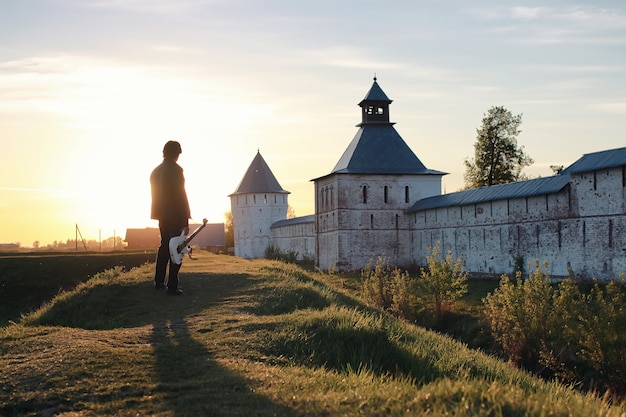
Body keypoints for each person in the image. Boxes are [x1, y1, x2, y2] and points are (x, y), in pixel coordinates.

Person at [150, 140, 191, 295]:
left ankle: (158, 281)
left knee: (164, 247)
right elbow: (181, 196)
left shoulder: (156, 171)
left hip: (162, 215)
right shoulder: (176, 170)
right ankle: (172, 285)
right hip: (175, 215)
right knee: (177, 249)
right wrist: (185, 220)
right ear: (176, 153)